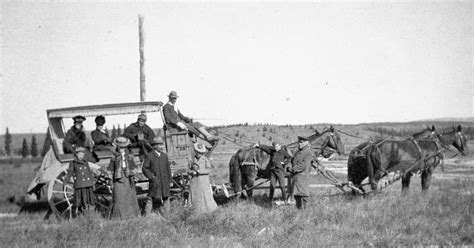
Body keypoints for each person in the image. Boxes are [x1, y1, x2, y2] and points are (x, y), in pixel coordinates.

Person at [107, 137, 141, 219]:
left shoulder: (129, 156)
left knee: (129, 196)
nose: (123, 149)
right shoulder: (114, 158)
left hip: (128, 179)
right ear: (117, 147)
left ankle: (131, 215)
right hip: (118, 179)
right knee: (119, 197)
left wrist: (134, 174)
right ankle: (119, 216)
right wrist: (110, 182)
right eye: (121, 147)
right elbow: (110, 170)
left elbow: (134, 167)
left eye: (124, 147)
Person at [142, 136, 172, 218]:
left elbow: (168, 169)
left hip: (165, 181)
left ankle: (167, 215)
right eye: (158, 145)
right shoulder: (149, 156)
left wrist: (170, 181)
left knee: (166, 197)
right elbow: (145, 168)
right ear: (154, 146)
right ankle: (147, 215)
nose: (160, 146)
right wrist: (151, 177)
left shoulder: (164, 155)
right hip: (155, 181)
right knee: (150, 197)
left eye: (161, 144)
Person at [63, 147, 95, 216]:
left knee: (87, 201)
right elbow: (70, 172)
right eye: (79, 154)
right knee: (79, 202)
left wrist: (92, 182)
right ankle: (78, 215)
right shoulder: (73, 163)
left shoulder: (85, 162)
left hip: (88, 184)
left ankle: (88, 215)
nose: (81, 156)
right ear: (76, 154)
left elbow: (89, 172)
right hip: (80, 184)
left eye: (82, 155)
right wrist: (66, 181)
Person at [189, 142, 218, 214]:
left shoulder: (205, 160)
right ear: (195, 151)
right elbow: (188, 169)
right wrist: (191, 172)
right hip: (194, 182)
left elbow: (209, 170)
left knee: (205, 195)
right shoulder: (192, 160)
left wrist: (199, 171)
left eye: (200, 152)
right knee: (195, 194)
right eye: (197, 152)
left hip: (203, 181)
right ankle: (196, 210)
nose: (198, 153)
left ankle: (208, 209)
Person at [287, 136, 313, 210]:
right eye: (299, 142)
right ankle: (299, 212)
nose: (299, 144)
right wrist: (288, 166)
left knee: (304, 196)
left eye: (301, 142)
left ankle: (305, 213)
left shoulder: (308, 152)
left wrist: (292, 169)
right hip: (296, 178)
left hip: (302, 177)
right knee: (297, 196)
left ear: (306, 143)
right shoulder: (298, 152)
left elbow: (304, 165)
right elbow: (292, 161)